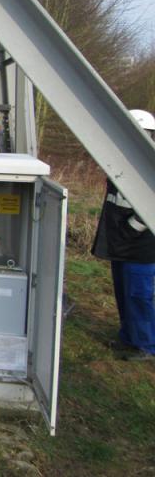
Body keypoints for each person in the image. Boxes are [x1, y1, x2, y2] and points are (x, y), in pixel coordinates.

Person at [91, 108, 155, 361]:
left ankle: (147, 346)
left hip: (141, 245)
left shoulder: (149, 163)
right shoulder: (124, 162)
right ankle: (129, 338)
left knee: (138, 294)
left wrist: (133, 227)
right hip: (122, 241)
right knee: (123, 291)